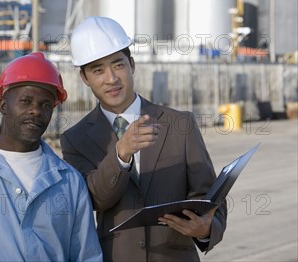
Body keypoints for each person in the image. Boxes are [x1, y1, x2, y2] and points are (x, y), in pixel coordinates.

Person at [60, 17, 227, 262]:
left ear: (132, 64)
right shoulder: (75, 140)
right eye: (98, 70)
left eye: (118, 65)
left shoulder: (180, 124)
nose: (111, 78)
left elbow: (210, 198)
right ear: (85, 78)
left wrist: (207, 229)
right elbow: (94, 200)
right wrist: (121, 155)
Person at [0, 52, 102, 262]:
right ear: (3, 105)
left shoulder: (71, 182)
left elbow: (87, 257)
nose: (36, 111)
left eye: (45, 105)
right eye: (26, 101)